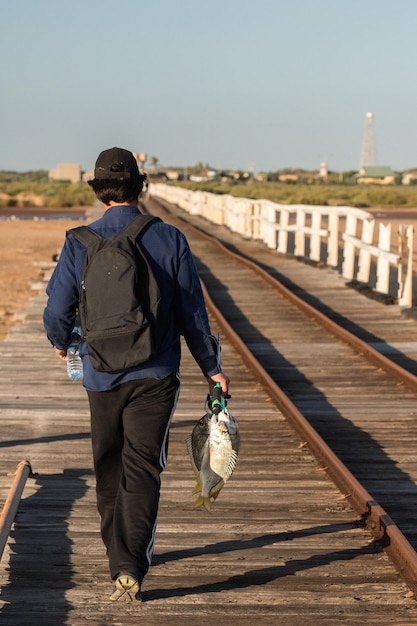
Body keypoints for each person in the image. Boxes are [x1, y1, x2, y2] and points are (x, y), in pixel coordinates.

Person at [43, 147, 229, 603]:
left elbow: (56, 311)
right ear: (140, 186)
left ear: (99, 189)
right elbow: (192, 314)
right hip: (157, 373)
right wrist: (213, 370)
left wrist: (62, 342)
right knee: (143, 467)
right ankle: (130, 563)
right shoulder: (170, 239)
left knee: (108, 466)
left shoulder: (78, 242)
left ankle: (118, 554)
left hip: (100, 373)